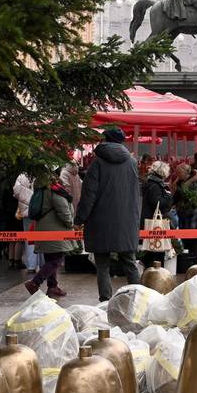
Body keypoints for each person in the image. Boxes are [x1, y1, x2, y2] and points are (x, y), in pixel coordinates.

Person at [75, 126, 140, 302]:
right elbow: (136, 193)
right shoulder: (132, 162)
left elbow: (89, 195)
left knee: (102, 265)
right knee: (129, 262)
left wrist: (80, 219)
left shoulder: (97, 163)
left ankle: (105, 301)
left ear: (105, 140)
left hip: (101, 221)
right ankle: (139, 299)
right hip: (126, 220)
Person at [24, 175, 74, 297]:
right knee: (56, 260)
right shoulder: (54, 190)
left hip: (43, 228)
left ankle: (52, 286)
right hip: (55, 229)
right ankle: (35, 282)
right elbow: (63, 210)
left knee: (50, 259)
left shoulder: (41, 189)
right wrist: (70, 223)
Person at [13, 172, 43, 273]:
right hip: (40, 212)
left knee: (29, 239)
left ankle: (31, 265)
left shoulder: (21, 176)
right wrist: (33, 199)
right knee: (42, 237)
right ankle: (42, 263)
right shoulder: (42, 174)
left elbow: (16, 191)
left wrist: (28, 199)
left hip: (26, 213)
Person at [141, 161, 173, 227]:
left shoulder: (150, 182)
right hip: (152, 218)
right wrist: (168, 196)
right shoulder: (155, 185)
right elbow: (157, 202)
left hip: (147, 216)